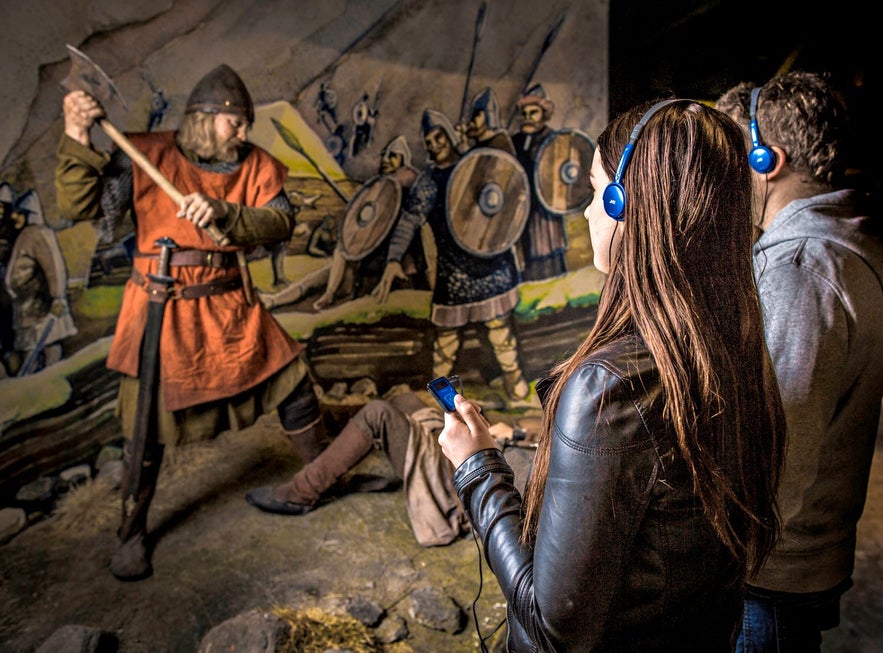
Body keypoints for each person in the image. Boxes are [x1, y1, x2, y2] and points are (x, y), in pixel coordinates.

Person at [437, 98, 788, 651]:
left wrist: (478, 467)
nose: (584, 212)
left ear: (628, 204)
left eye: (597, 190)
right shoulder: (732, 342)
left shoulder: (607, 388)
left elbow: (556, 630)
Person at [55, 64, 331, 582]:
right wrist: (76, 134)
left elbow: (280, 223)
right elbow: (78, 206)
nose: (245, 133)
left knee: (295, 387)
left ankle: (321, 479)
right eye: (235, 123)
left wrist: (225, 211)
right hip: (160, 310)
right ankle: (131, 533)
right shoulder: (145, 156)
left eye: (246, 123)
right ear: (204, 120)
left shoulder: (255, 166)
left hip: (231, 310)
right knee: (145, 429)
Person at [715, 70, 883, 651]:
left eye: (730, 157)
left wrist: (717, 560)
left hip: (769, 577)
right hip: (810, 555)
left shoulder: (801, 269)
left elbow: (775, 453)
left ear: (767, 159)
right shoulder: (853, 237)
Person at [373, 109, 530, 402]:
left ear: (449, 135)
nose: (435, 144)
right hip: (453, 270)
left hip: (490, 262)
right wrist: (394, 258)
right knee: (445, 342)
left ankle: (517, 387)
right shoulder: (429, 181)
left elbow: (507, 192)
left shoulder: (478, 163)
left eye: (439, 136)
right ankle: (442, 401)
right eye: (429, 140)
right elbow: (409, 221)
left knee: (500, 331)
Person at [245, 387, 469, 547]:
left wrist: (497, 437)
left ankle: (301, 492)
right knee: (405, 400)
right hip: (472, 450)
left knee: (377, 413)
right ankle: (331, 424)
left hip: (459, 472)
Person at [4, 189, 78, 375]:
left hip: (41, 306)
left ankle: (52, 386)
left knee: (48, 349)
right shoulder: (25, 235)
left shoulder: (39, 234)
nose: (15, 216)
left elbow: (54, 268)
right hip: (27, 306)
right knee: (31, 354)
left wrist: (58, 297)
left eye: (20, 213)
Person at [511, 83, 569, 281]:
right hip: (523, 208)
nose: (528, 118)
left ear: (544, 114)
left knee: (546, 246)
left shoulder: (553, 140)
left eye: (533, 112)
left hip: (545, 209)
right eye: (525, 113)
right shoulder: (516, 141)